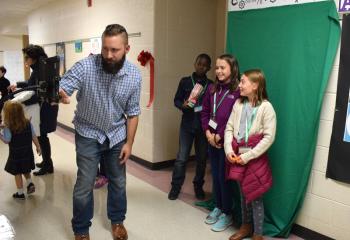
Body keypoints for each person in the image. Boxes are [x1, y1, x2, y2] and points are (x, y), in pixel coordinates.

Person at [59, 24, 141, 240]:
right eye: (105, 49)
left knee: (118, 181)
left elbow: (133, 113)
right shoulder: (87, 66)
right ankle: (81, 229)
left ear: (127, 48)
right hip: (88, 132)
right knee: (85, 182)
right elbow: (65, 84)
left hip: (116, 135)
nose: (108, 55)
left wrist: (129, 143)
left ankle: (117, 221)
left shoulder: (134, 75)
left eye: (115, 50)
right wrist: (61, 93)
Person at [224, 69, 276, 240]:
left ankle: (258, 234)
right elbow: (229, 128)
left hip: (254, 159)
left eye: (243, 82)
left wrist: (247, 156)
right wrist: (229, 151)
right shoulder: (239, 104)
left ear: (255, 85)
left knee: (255, 196)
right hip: (237, 156)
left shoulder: (266, 107)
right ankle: (245, 227)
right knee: (242, 194)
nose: (239, 85)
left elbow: (268, 138)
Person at [201, 54, 240, 232]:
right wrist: (208, 133)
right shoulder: (211, 88)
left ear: (232, 69)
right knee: (215, 176)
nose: (218, 71)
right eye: (217, 68)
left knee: (225, 178)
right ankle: (218, 206)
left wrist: (220, 135)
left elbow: (235, 119)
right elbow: (205, 113)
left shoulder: (238, 91)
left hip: (227, 143)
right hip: (211, 139)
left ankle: (227, 212)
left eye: (222, 67)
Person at [8, 45, 59, 176]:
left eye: (27, 57)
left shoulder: (41, 70)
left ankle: (48, 165)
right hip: (45, 107)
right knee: (42, 136)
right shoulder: (40, 68)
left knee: (42, 136)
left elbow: (37, 93)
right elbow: (33, 84)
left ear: (33, 58)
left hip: (44, 108)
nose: (25, 60)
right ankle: (47, 162)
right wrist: (19, 85)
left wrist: (19, 100)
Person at [168, 53, 212, 200]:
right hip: (187, 125)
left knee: (201, 159)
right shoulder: (185, 81)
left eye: (205, 65)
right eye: (199, 63)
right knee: (181, 158)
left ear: (209, 68)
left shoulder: (211, 85)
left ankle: (198, 186)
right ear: (194, 64)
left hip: (203, 127)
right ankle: (175, 187)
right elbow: (176, 100)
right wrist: (182, 105)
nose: (201, 66)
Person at [0, 101, 41, 200]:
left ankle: (20, 193)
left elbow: (7, 140)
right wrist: (38, 146)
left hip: (15, 155)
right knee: (26, 169)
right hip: (27, 152)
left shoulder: (8, 127)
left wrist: (0, 133)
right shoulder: (27, 122)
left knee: (17, 173)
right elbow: (33, 135)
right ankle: (30, 183)